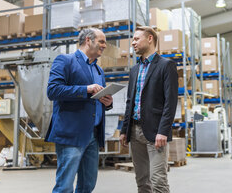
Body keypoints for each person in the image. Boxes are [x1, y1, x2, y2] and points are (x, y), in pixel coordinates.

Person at [46, 28, 113, 193]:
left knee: (87, 185)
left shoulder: (99, 70)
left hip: (93, 135)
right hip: (71, 134)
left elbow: (97, 101)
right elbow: (53, 91)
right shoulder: (65, 60)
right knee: (65, 186)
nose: (105, 46)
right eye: (102, 41)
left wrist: (108, 102)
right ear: (88, 40)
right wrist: (86, 89)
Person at [120, 26, 178, 193]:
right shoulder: (134, 70)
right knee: (142, 181)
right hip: (134, 130)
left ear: (150, 38)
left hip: (155, 132)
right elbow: (130, 102)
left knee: (158, 180)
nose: (133, 43)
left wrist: (164, 131)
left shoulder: (166, 65)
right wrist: (124, 130)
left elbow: (171, 101)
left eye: (137, 39)